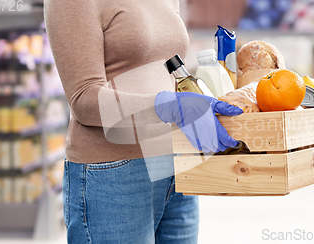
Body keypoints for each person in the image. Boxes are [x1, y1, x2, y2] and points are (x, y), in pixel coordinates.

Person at [44, 0, 242, 243]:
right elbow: (83, 98)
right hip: (114, 174)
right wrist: (168, 106)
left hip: (176, 165)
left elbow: (165, 72)